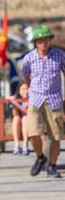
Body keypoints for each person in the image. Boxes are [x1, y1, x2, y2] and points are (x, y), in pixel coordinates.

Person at [22, 25, 65, 178]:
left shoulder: (60, 56)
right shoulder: (29, 58)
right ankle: (40, 157)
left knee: (56, 135)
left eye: (45, 40)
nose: (43, 43)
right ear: (35, 42)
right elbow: (25, 76)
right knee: (32, 132)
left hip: (54, 100)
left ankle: (52, 166)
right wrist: (28, 89)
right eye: (39, 40)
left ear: (50, 40)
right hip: (35, 99)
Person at [8, 82, 30, 155]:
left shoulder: (33, 98)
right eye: (23, 89)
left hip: (28, 121)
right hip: (18, 120)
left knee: (25, 118)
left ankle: (25, 145)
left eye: (27, 89)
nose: (26, 91)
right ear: (19, 90)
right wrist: (13, 101)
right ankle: (16, 145)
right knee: (16, 118)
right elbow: (15, 113)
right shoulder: (16, 98)